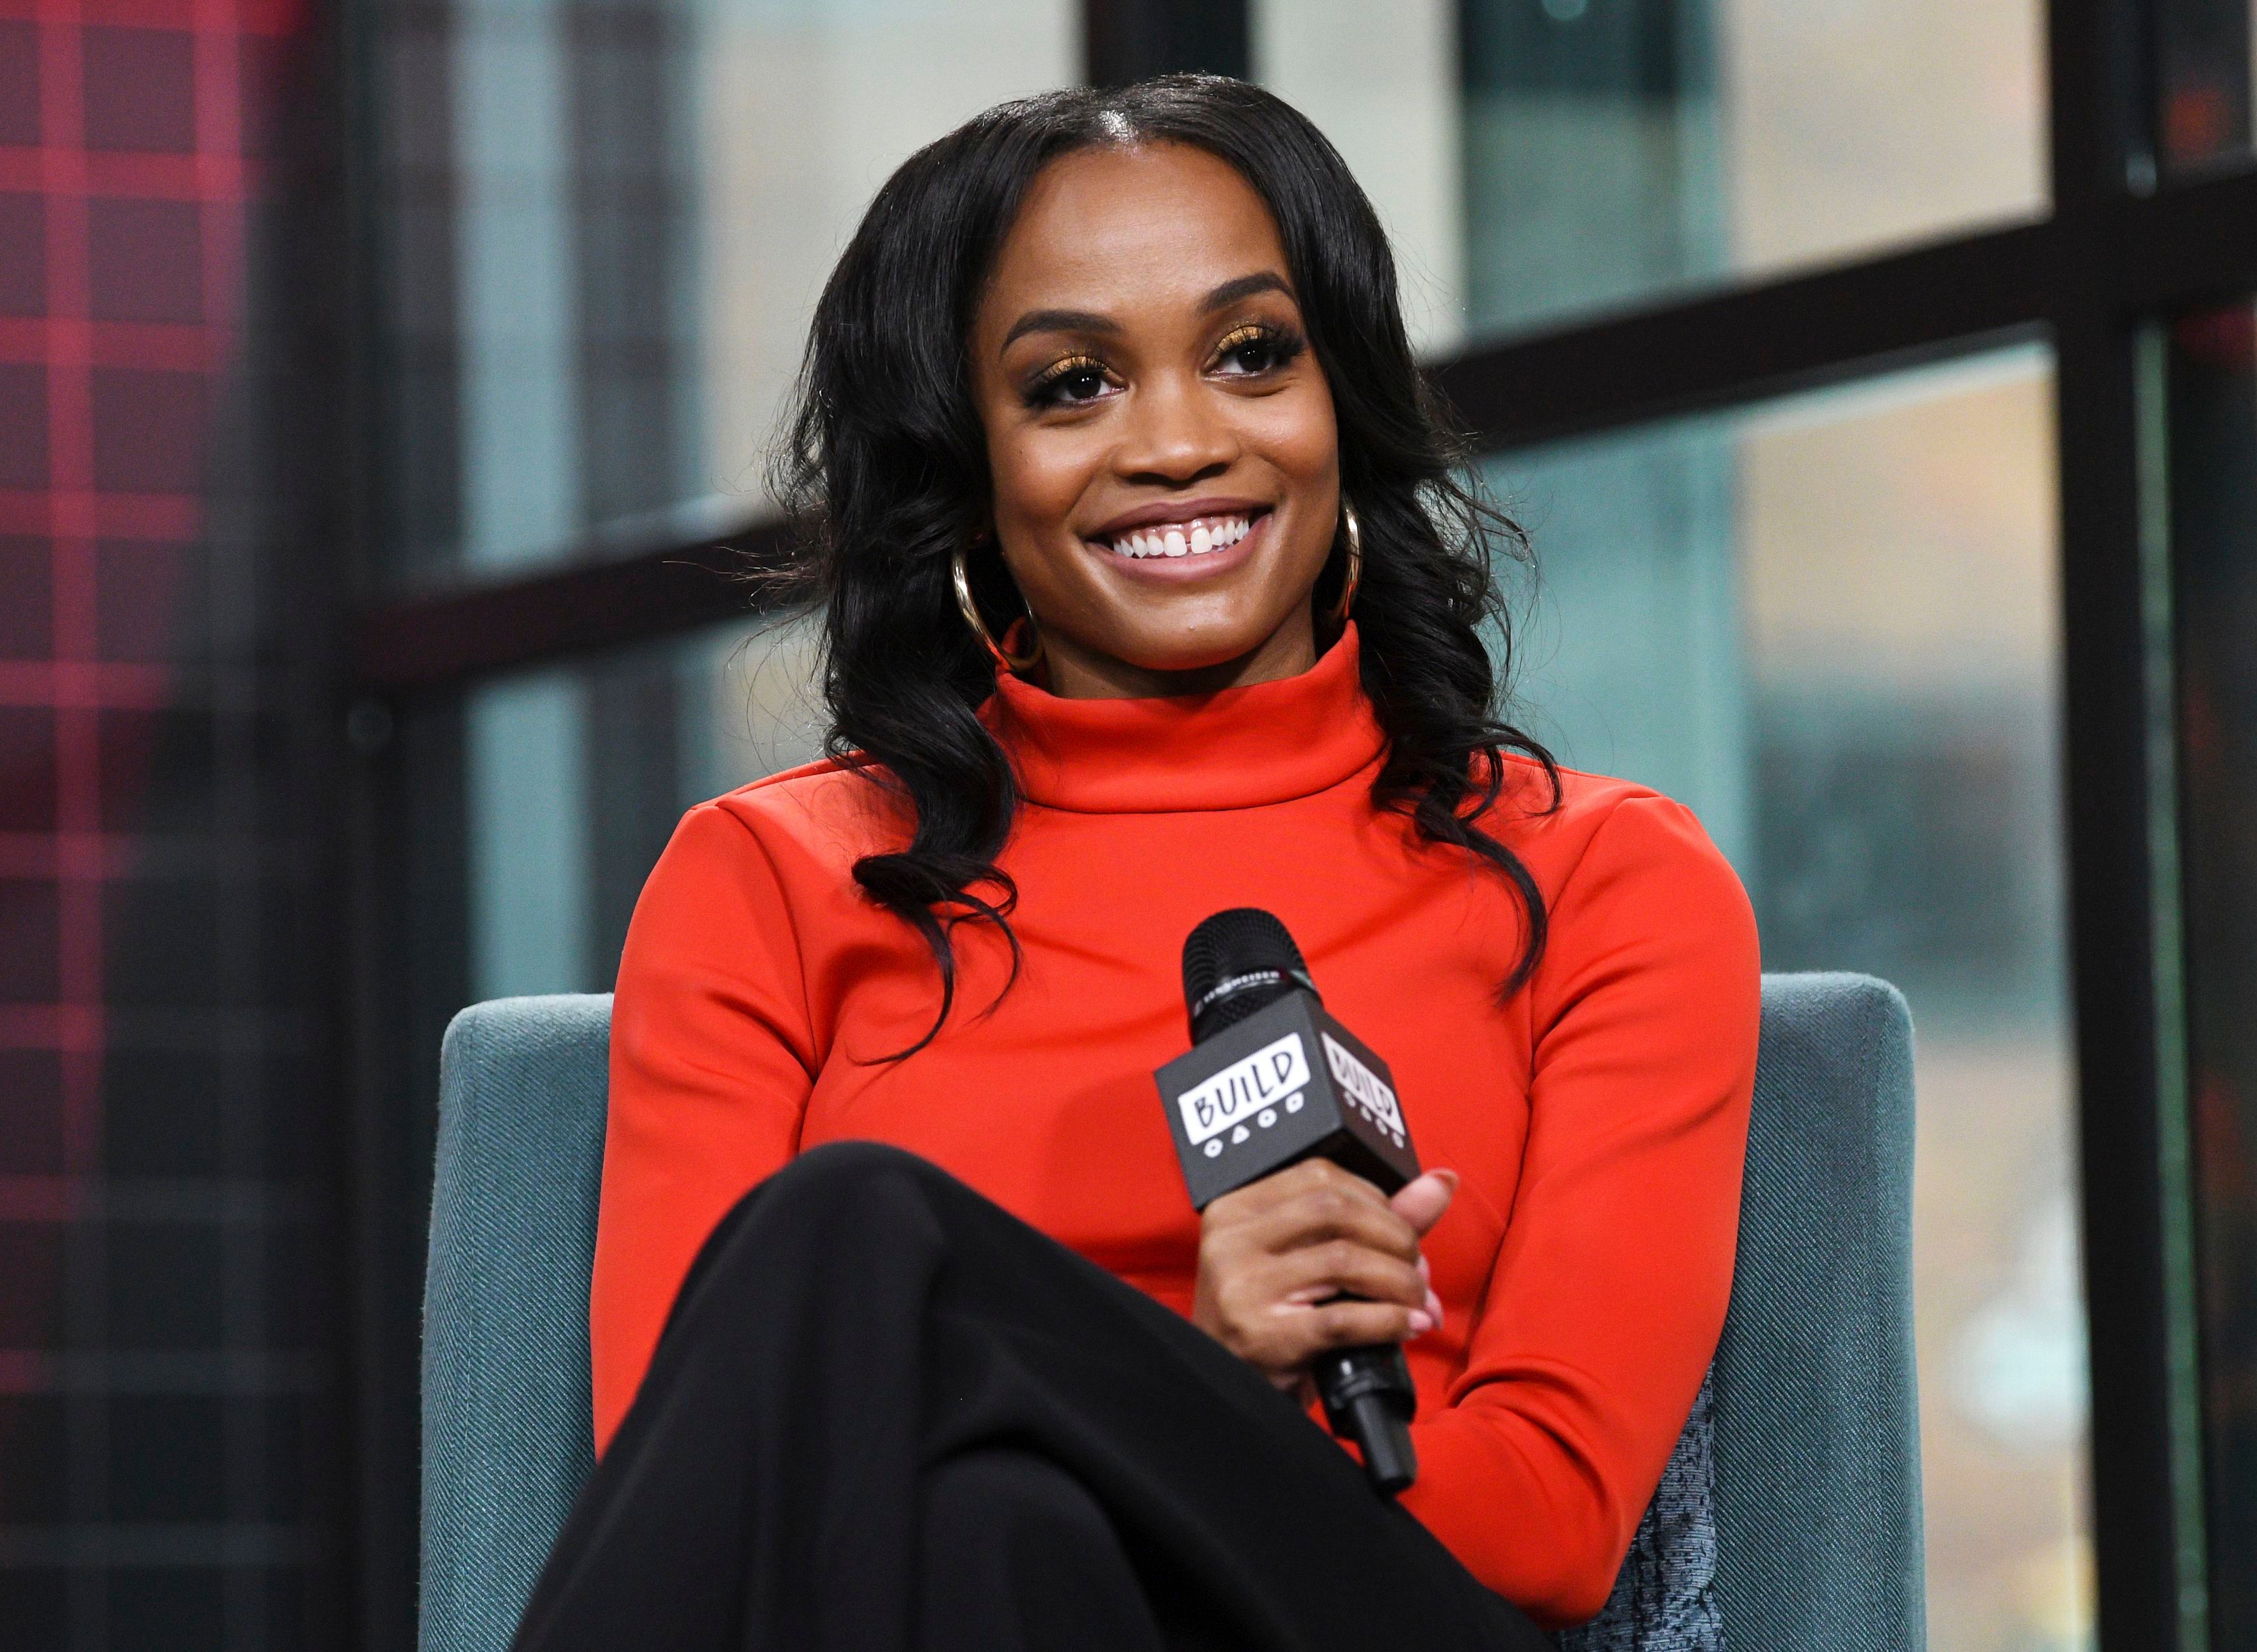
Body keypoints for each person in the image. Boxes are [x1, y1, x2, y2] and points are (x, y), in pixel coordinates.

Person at [514, 74, 1759, 1651]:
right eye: (1071, 385)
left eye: (1251, 355)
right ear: (963, 463)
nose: (1177, 442)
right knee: (988, 1527)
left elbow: (1556, 1517)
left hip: (1386, 1609)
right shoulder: (769, 880)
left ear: (1341, 405)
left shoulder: (1597, 879)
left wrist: (1228, 1412)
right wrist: (1193, 1356)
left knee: (854, 1237)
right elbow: (714, 1471)